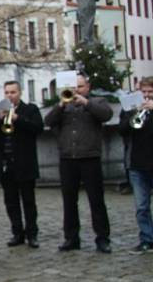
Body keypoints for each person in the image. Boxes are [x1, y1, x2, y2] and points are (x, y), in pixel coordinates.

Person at [44, 74, 113, 253]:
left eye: (80, 87)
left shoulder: (98, 102)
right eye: (74, 87)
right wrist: (61, 105)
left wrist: (86, 103)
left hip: (90, 157)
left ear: (87, 87)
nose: (76, 90)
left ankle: (102, 238)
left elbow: (107, 115)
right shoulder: (63, 105)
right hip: (68, 158)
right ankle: (71, 238)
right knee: (69, 201)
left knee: (96, 200)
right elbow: (48, 121)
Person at [0, 81, 44, 248]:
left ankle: (32, 234)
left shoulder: (30, 109)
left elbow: (37, 128)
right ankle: (17, 233)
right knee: (10, 201)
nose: (10, 95)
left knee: (28, 201)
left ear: (20, 93)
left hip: (24, 162)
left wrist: (18, 119)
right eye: (7, 92)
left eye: (13, 92)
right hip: (5, 162)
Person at [118, 76, 153, 254]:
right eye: (143, 92)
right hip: (137, 164)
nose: (146, 96)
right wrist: (134, 113)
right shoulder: (130, 108)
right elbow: (122, 130)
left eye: (150, 92)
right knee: (141, 207)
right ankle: (147, 239)